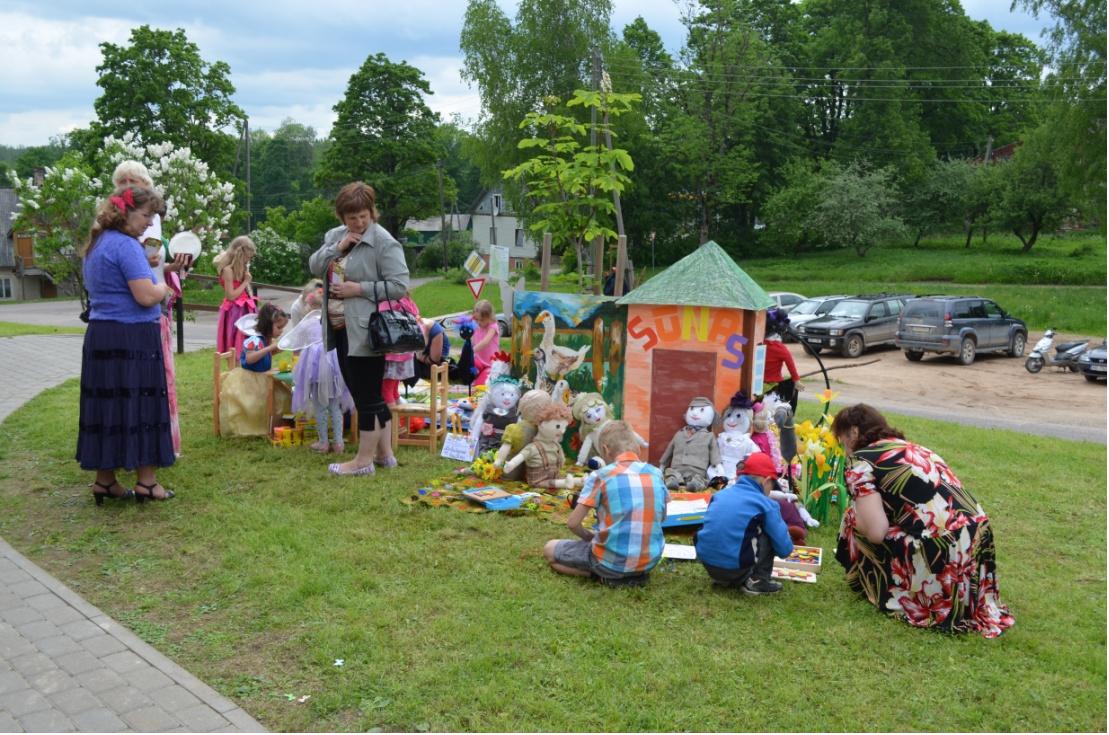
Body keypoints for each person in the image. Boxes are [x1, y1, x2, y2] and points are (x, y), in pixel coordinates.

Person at [832, 403, 1015, 637]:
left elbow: (877, 532)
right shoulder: (914, 448)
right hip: (977, 537)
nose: (844, 450)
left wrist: (856, 518)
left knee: (853, 516)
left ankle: (879, 588)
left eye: (842, 441)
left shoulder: (860, 461)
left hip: (941, 546)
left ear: (854, 432)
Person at [76, 185, 175, 503]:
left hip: (102, 336)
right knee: (142, 404)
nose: (150, 222)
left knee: (108, 407)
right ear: (125, 212)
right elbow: (145, 296)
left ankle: (105, 481)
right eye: (146, 215)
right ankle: (147, 482)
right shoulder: (126, 245)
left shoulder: (97, 242)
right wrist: (163, 290)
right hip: (133, 338)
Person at [309, 181, 409, 476]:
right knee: (365, 392)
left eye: (363, 216)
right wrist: (337, 248)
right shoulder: (335, 236)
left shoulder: (384, 242)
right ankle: (385, 455)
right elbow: (314, 266)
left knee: (367, 397)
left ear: (371, 211)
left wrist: (359, 289)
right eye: (352, 217)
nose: (359, 222)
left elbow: (399, 285)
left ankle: (362, 462)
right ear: (342, 216)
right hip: (339, 327)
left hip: (365, 331)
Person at [111, 160, 192, 457]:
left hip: (149, 308)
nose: (127, 187)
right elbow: (144, 262)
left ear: (145, 185)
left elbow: (151, 261)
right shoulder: (118, 224)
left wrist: (170, 267)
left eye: (133, 181)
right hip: (134, 306)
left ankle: (161, 442)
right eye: (122, 182)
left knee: (156, 377)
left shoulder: (149, 220)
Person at [543, 421, 669, 587]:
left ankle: (600, 575)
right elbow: (662, 517)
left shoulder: (601, 476)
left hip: (608, 562)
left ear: (605, 449)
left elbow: (573, 523)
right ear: (637, 447)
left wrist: (589, 537)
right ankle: (628, 576)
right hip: (649, 562)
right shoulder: (656, 474)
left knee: (550, 549)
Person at [694, 452, 795, 594]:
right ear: (766, 481)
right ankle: (757, 580)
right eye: (772, 485)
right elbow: (785, 549)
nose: (771, 491)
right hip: (736, 569)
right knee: (770, 532)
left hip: (709, 565)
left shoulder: (719, 495)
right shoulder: (766, 504)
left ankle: (723, 578)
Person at [217, 303, 292, 437]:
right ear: (268, 325)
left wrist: (275, 350)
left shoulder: (265, 340)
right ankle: (257, 425)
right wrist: (269, 348)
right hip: (250, 379)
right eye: (279, 327)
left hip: (263, 376)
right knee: (255, 403)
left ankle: (273, 423)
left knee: (285, 395)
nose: (281, 331)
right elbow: (250, 358)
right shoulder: (254, 339)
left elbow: (262, 355)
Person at [291, 304, 354, 454]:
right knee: (335, 406)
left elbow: (299, 344)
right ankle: (338, 443)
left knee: (319, 406)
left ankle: (323, 442)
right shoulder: (334, 319)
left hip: (315, 366)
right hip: (334, 364)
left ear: (308, 308)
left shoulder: (307, 323)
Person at [213, 235, 258, 360]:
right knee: (235, 344)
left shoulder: (241, 269)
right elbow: (230, 296)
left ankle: (245, 366)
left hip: (245, 309)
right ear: (239, 254)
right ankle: (235, 367)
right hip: (235, 312)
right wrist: (245, 282)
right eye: (247, 257)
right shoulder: (228, 270)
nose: (248, 261)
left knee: (248, 344)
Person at [381, 294, 420, 406]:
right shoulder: (408, 302)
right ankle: (399, 415)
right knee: (393, 390)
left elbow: (379, 314)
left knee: (386, 391)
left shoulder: (389, 302)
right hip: (406, 353)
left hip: (393, 354)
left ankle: (392, 417)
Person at [762, 307, 803, 413]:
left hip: (757, 384)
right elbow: (790, 364)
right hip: (774, 385)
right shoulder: (780, 348)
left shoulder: (757, 345)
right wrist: (796, 380)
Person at [470, 299, 500, 387]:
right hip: (478, 361)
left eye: (482, 320)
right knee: (467, 372)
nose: (479, 322)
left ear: (489, 317)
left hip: (490, 364)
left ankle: (480, 378)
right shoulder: (476, 325)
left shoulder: (493, 327)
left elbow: (485, 342)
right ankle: (475, 377)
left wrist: (471, 350)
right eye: (477, 319)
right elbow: (472, 341)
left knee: (480, 385)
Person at [413, 316, 450, 382]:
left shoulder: (436, 332)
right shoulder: (414, 326)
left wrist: (419, 357)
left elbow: (434, 360)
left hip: (435, 361)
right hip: (422, 356)